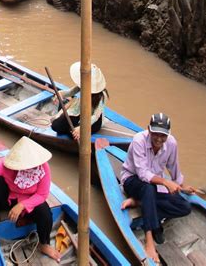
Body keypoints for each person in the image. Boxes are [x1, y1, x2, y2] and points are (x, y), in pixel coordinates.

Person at [120, 113, 194, 264]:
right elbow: (142, 174)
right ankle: (149, 239)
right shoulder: (139, 140)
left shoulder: (172, 143)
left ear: (168, 134)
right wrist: (166, 183)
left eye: (163, 135)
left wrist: (182, 186)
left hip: (154, 186)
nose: (159, 138)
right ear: (149, 130)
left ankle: (139, 203)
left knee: (185, 207)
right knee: (148, 189)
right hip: (132, 180)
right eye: (156, 134)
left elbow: (174, 168)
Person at [51, 61, 108, 141]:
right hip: (79, 113)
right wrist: (59, 94)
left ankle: (73, 129)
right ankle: (72, 128)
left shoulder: (102, 96)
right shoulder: (83, 84)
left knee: (73, 135)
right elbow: (70, 92)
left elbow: (95, 116)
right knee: (55, 126)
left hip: (92, 121)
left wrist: (81, 128)